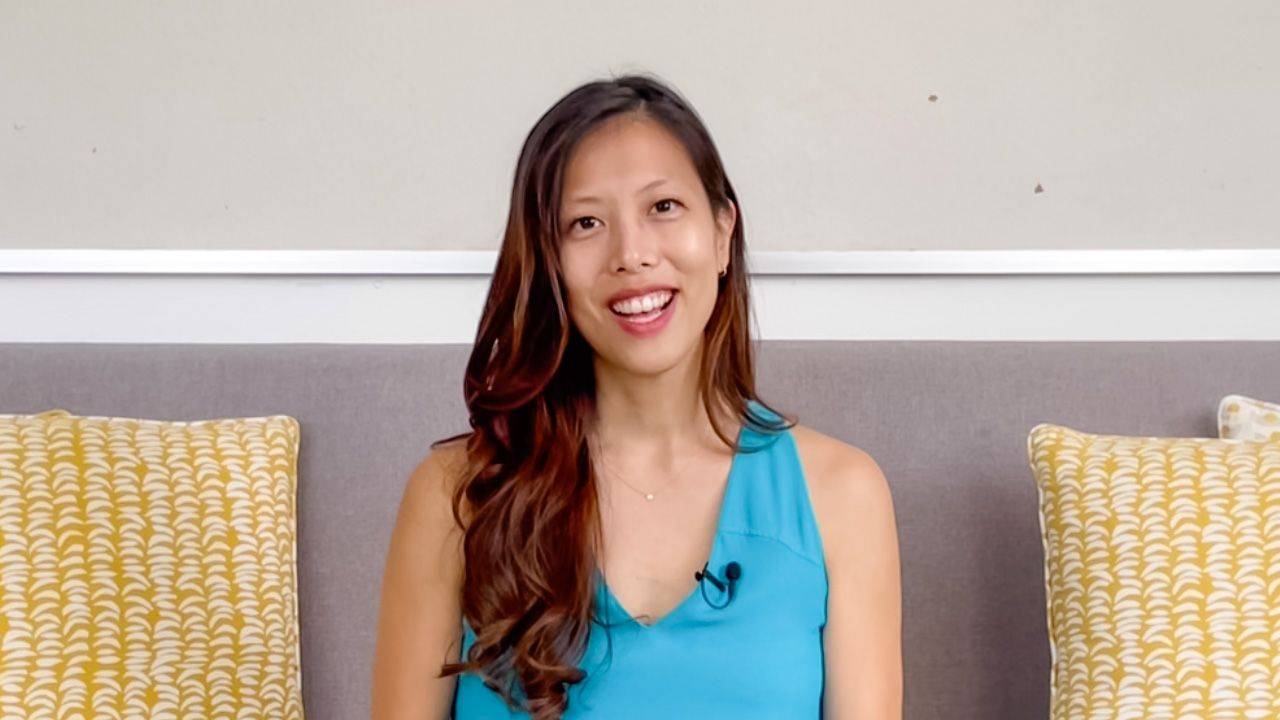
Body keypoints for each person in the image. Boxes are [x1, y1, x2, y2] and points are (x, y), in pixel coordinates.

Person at [371, 72, 902, 720]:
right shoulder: (453, 496)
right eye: (586, 222)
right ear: (549, 264)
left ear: (722, 232)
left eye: (663, 207)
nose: (632, 254)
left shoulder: (843, 493)